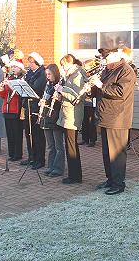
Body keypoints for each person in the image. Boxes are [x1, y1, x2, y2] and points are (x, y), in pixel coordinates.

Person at [91, 47, 136, 195]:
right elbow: (101, 91)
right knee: (106, 152)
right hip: (106, 116)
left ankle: (118, 184)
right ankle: (110, 179)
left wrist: (101, 85)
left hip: (118, 118)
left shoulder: (126, 70)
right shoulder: (107, 70)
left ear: (115, 56)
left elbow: (120, 92)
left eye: (106, 57)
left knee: (116, 153)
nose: (103, 60)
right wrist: (91, 87)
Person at [55, 54, 87, 184]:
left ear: (70, 63)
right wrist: (60, 96)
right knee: (69, 146)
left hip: (73, 115)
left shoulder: (78, 75)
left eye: (63, 65)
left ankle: (75, 176)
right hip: (66, 113)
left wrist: (62, 90)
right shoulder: (70, 75)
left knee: (72, 146)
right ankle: (73, 175)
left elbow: (77, 97)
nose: (62, 68)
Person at [0, 59, 25, 162]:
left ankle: (17, 154)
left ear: (20, 69)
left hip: (15, 109)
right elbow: (4, 96)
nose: (13, 69)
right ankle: (11, 153)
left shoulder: (21, 79)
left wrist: (8, 85)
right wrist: (1, 90)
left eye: (15, 67)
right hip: (6, 108)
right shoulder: (9, 78)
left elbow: (18, 93)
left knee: (16, 133)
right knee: (10, 133)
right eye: (12, 67)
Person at [21, 52, 47, 170]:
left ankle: (39, 159)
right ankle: (31, 156)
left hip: (36, 107)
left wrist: (26, 84)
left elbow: (37, 88)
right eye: (29, 62)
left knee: (37, 135)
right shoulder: (30, 73)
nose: (30, 65)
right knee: (28, 133)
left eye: (32, 62)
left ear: (37, 63)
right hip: (28, 105)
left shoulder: (42, 74)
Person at [39, 64, 66, 177]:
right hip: (47, 116)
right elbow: (45, 97)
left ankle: (58, 168)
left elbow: (63, 100)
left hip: (56, 116)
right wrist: (42, 101)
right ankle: (51, 166)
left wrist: (59, 98)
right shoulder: (48, 85)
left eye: (49, 74)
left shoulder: (60, 84)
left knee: (58, 145)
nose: (48, 77)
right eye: (46, 74)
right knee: (50, 145)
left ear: (55, 73)